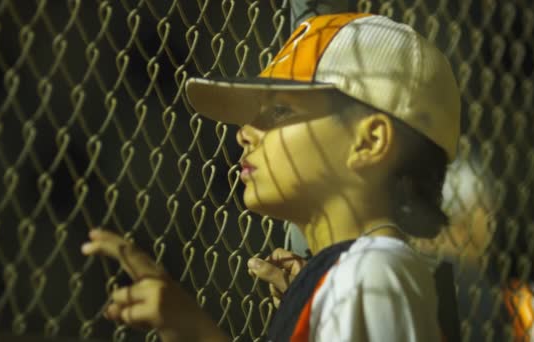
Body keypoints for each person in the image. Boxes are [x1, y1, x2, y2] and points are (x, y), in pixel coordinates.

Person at [81, 12, 461, 341]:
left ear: (370, 141)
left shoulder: (372, 275)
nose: (244, 132)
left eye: (279, 111)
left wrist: (197, 332)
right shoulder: (360, 272)